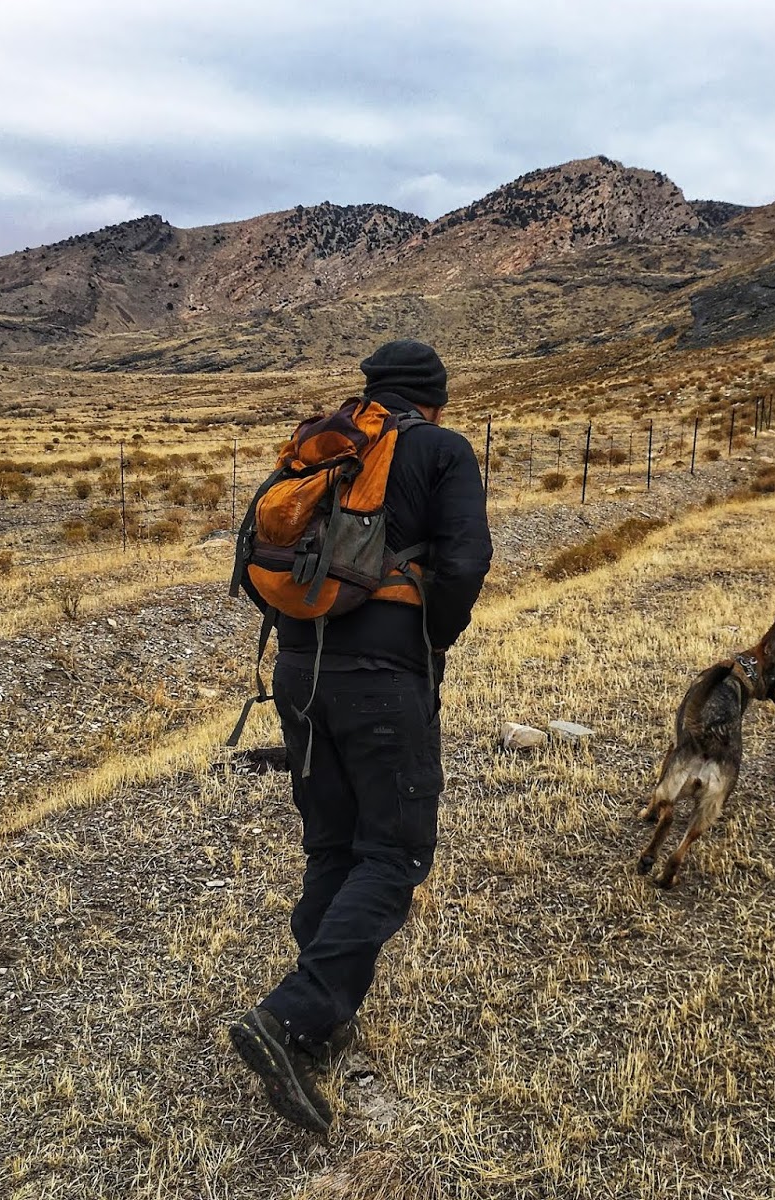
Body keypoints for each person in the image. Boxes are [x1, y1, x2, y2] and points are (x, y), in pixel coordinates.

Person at [228, 339, 492, 1135]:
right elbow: (468, 560)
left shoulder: (324, 446)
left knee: (333, 845)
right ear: (434, 400)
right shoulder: (441, 449)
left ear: (374, 391)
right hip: (383, 680)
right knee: (395, 852)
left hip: (298, 673)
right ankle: (291, 1015)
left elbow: (258, 560)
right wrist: (432, 638)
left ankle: (319, 1024)